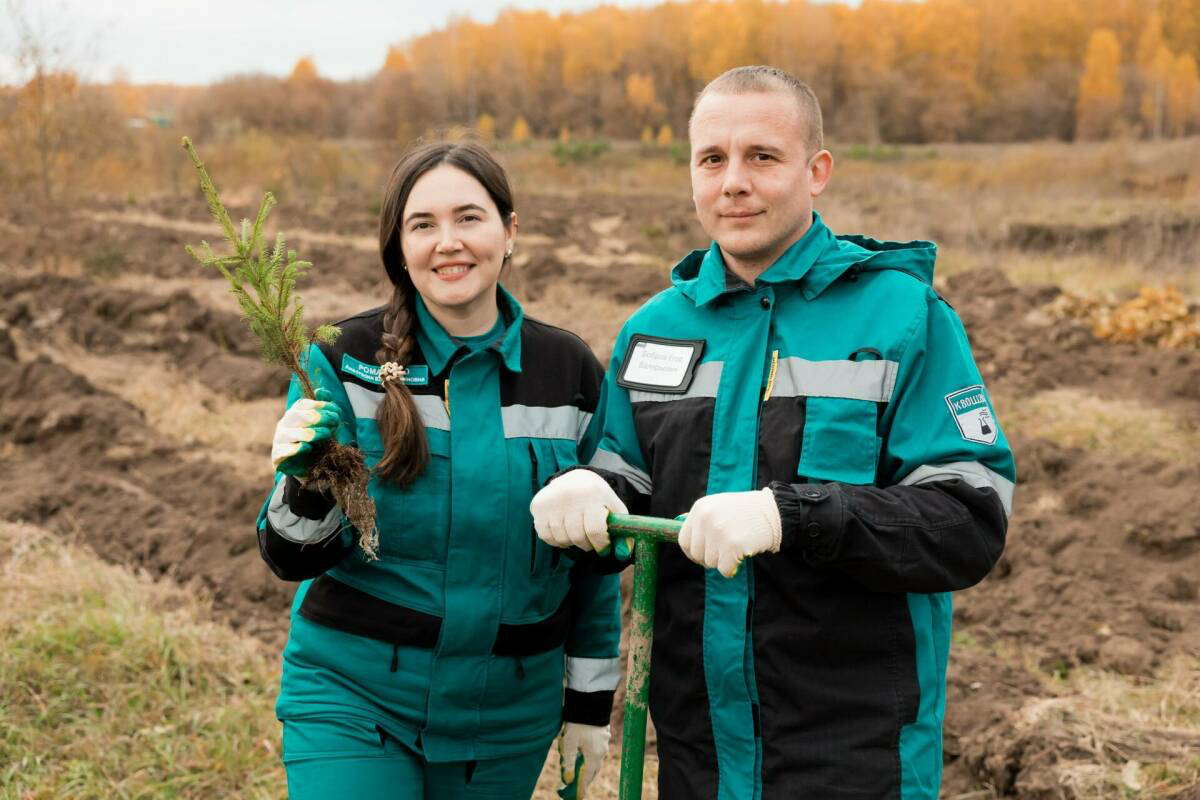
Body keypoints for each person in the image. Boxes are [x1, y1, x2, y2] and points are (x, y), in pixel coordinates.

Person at [531, 66, 1015, 799]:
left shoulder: (902, 316)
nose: (733, 182)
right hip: (700, 757)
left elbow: (966, 522)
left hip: (855, 757)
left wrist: (789, 515)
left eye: (762, 156)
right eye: (711, 159)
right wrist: (587, 491)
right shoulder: (654, 329)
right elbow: (625, 489)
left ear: (816, 171)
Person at [257, 140, 620, 800]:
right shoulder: (344, 361)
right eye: (422, 225)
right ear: (400, 247)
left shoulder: (568, 373)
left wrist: (589, 704)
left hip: (507, 719)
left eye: (469, 218)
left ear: (509, 232)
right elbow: (291, 554)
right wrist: (306, 480)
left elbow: (592, 563)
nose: (447, 242)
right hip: (354, 696)